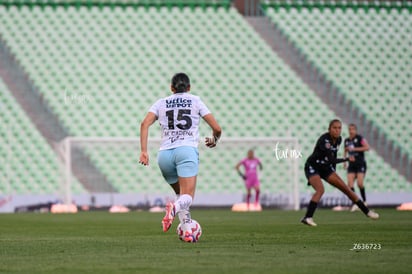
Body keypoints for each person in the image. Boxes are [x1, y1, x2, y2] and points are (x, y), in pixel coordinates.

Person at [139, 73, 222, 241]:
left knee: (180, 194)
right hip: (186, 150)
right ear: (189, 88)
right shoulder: (195, 100)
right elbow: (217, 128)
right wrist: (214, 139)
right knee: (188, 197)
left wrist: (144, 151)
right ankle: (173, 208)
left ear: (171, 88)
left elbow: (144, 124)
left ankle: (187, 230)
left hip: (164, 155)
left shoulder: (161, 102)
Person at [301, 119, 378, 226]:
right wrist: (346, 159)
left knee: (346, 189)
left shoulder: (339, 139)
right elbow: (332, 159)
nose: (337, 130)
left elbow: (334, 156)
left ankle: (367, 211)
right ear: (329, 129)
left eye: (339, 128)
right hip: (313, 166)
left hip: (326, 168)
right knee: (320, 190)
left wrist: (334, 172)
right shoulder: (325, 141)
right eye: (334, 128)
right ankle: (308, 217)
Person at [343, 124, 370, 212]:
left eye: (353, 129)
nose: (351, 131)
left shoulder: (360, 138)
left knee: (360, 183)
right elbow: (345, 150)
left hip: (360, 163)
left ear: (356, 130)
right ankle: (355, 203)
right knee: (350, 185)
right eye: (350, 129)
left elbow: (367, 147)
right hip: (351, 164)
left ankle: (364, 201)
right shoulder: (346, 140)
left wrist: (354, 149)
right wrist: (344, 161)